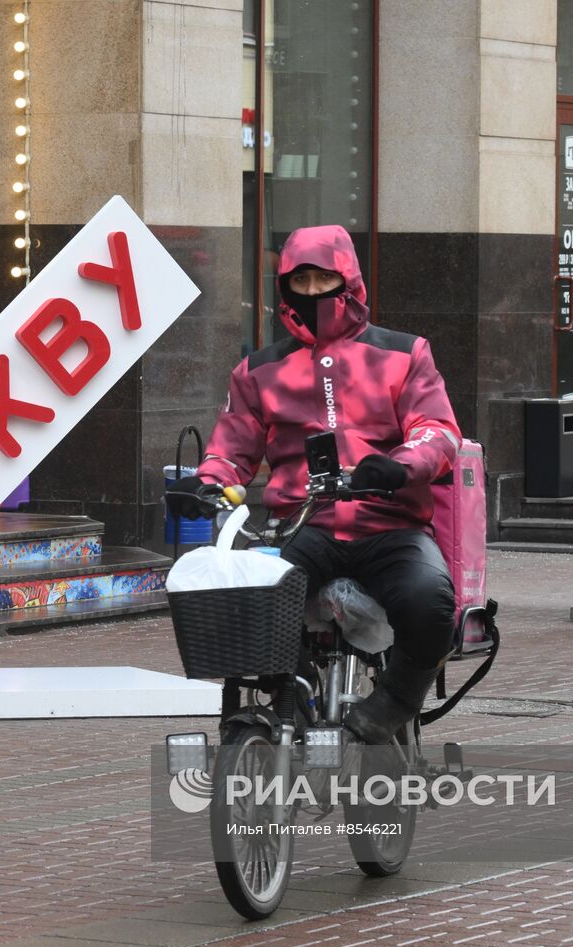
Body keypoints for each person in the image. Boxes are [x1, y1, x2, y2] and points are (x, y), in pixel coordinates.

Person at [166, 225, 461, 743]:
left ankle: (395, 699)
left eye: (325, 278)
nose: (313, 290)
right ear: (283, 289)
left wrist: (401, 464)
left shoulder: (406, 352)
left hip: (390, 525)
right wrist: (206, 483)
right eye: (300, 280)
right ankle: (289, 693)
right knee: (253, 597)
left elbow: (437, 431)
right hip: (303, 524)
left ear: (349, 279)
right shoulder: (257, 370)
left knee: (431, 603)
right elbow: (231, 448)